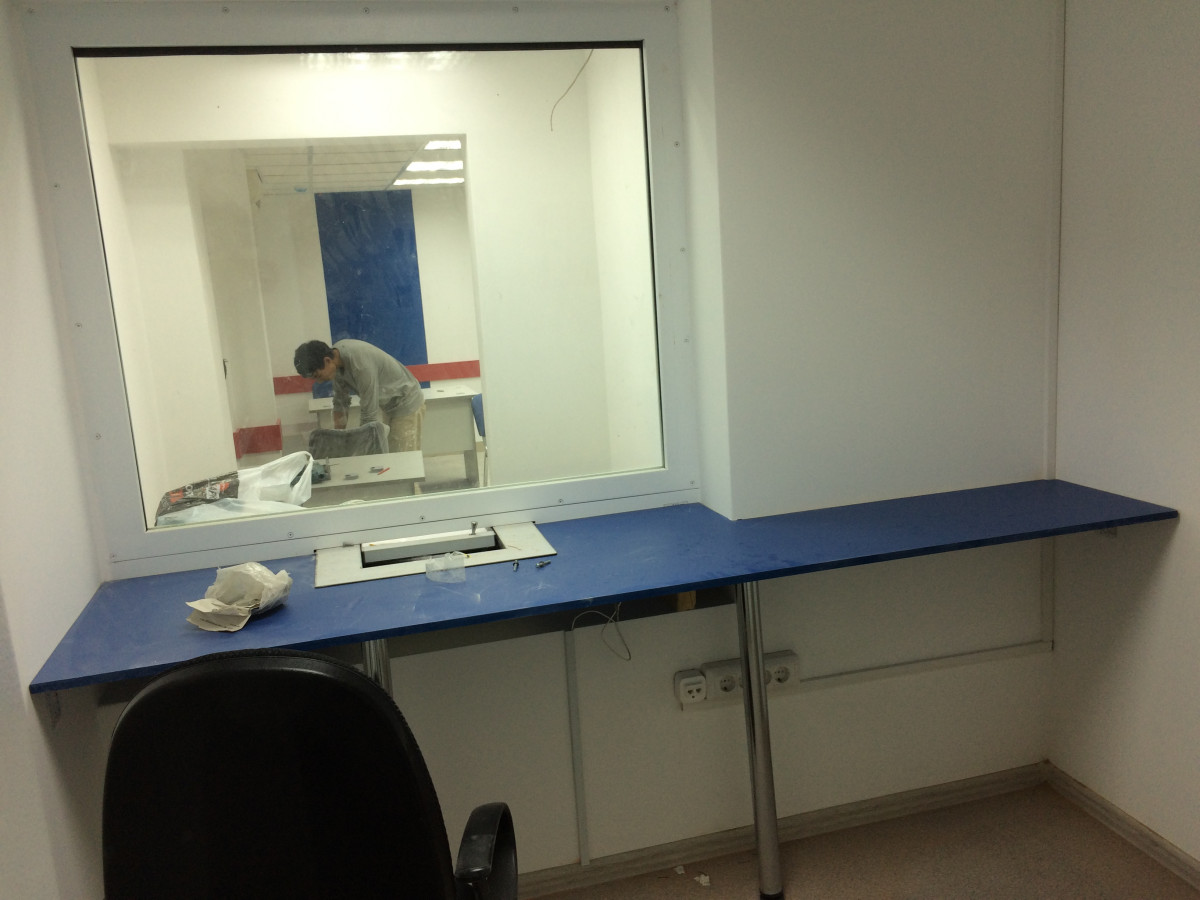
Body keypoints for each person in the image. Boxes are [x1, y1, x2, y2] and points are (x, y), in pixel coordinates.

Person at [294, 339, 425, 453]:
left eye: (318, 375)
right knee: (392, 452)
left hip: (407, 401)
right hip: (390, 405)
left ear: (327, 361)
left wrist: (361, 449)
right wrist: (338, 438)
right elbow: (340, 403)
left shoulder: (360, 364)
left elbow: (369, 414)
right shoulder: (336, 361)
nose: (319, 381)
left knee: (403, 457)